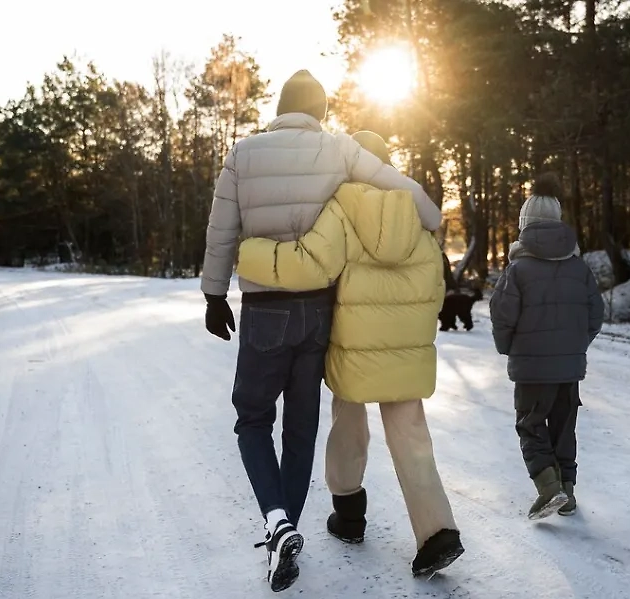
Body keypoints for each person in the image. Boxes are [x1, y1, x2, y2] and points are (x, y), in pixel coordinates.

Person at [200, 73, 442, 592]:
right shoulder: (337, 149)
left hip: (265, 308)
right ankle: (284, 530)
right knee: (302, 425)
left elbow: (221, 228)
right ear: (320, 112)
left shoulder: (243, 152)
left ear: (280, 107)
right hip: (318, 311)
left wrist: (213, 293)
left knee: (252, 419)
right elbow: (401, 188)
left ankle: (277, 522)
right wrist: (431, 217)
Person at [236, 131, 463, 578]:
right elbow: (437, 286)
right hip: (405, 350)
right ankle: (438, 533)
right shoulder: (416, 214)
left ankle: (349, 514)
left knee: (348, 424)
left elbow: (309, 264)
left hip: (352, 347)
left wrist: (249, 253)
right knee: (412, 437)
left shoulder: (343, 207)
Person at [489, 173, 604, 520]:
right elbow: (595, 314)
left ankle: (548, 487)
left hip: (532, 367)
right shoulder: (578, 267)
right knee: (563, 427)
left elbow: (501, 315)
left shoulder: (518, 268)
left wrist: (510, 347)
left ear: (525, 223)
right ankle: (567, 493)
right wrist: (573, 346)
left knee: (530, 424)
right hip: (569, 368)